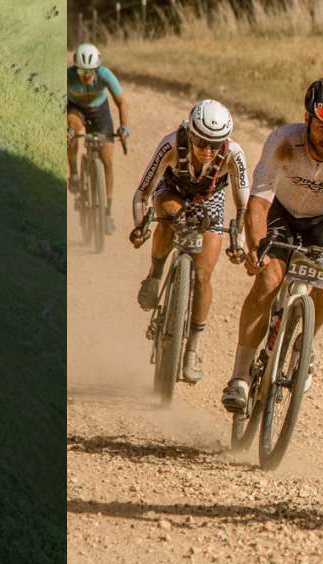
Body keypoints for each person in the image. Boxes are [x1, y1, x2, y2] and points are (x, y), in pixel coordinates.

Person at [220, 77, 323, 412]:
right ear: (307, 119)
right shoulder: (283, 141)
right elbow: (259, 204)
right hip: (282, 213)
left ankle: (302, 348)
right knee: (268, 279)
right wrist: (256, 247)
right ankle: (240, 376)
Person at [129, 99, 250, 382]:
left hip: (211, 200)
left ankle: (193, 348)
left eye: (215, 144)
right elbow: (142, 192)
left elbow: (243, 205)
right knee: (170, 218)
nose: (208, 151)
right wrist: (140, 225)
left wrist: (238, 241)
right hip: (173, 191)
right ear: (190, 134)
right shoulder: (171, 144)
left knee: (203, 274)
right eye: (201, 142)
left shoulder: (233, 154)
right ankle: (155, 275)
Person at [68, 43, 130, 234]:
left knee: (108, 160)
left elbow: (121, 102)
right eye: (81, 72)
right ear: (75, 68)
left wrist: (124, 126)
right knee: (72, 130)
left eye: (90, 71)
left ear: (97, 68)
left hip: (99, 112)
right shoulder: (68, 77)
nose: (86, 76)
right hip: (76, 109)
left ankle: (107, 212)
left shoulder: (105, 75)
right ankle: (75, 173)